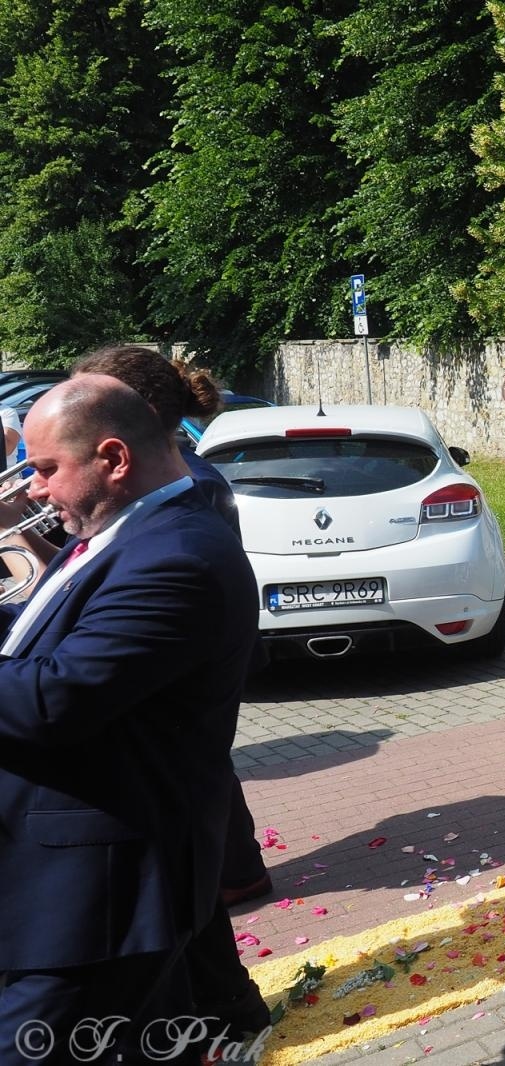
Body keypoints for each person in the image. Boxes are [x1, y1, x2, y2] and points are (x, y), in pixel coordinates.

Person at [0, 376, 259, 1060]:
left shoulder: (178, 556)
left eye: (48, 469)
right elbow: (38, 633)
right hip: (81, 878)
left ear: (114, 459)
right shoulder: (125, 530)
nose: (35, 490)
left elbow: (53, 699)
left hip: (101, 893)